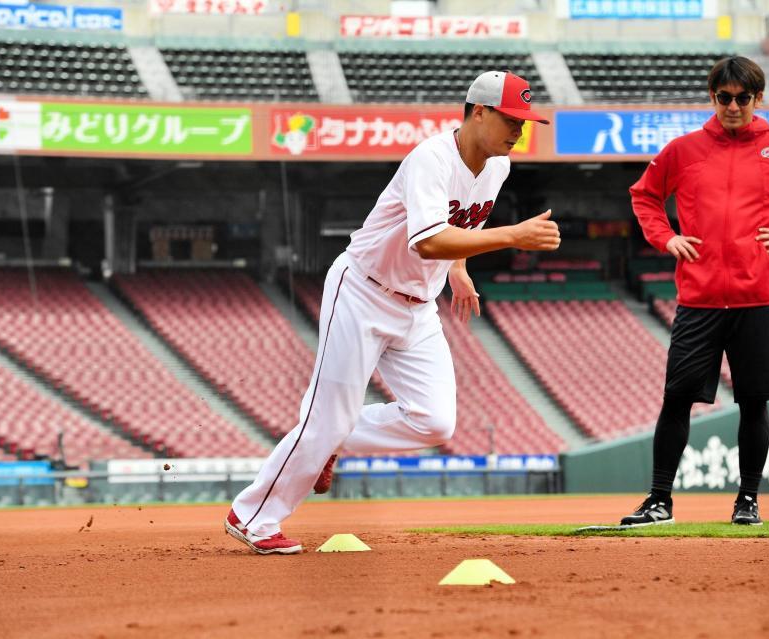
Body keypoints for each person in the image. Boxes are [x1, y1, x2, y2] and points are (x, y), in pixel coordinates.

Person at [225, 71, 560, 554]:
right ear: (479, 112)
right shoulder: (431, 158)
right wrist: (513, 235)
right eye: (511, 118)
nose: (519, 130)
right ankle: (253, 514)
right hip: (363, 291)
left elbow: (459, 224)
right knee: (327, 419)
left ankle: (329, 437)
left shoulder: (496, 166)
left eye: (525, 121)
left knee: (434, 422)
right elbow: (427, 241)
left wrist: (461, 268)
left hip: (419, 308)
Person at [622, 56, 769, 527]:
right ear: (713, 98)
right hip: (698, 300)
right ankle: (659, 500)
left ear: (758, 98)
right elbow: (643, 195)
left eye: (743, 98)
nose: (734, 106)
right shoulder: (683, 150)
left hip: (756, 299)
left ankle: (748, 500)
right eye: (725, 98)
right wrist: (666, 237)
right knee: (676, 399)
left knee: (753, 401)